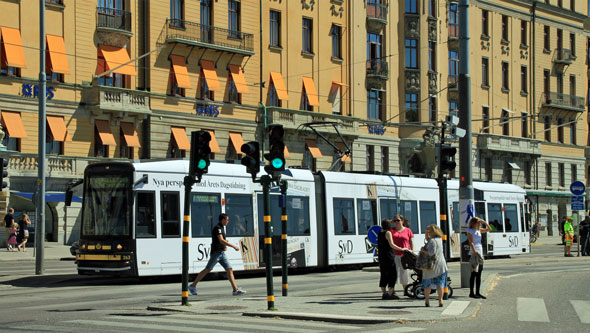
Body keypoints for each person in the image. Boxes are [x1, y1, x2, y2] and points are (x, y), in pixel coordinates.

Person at [189, 214, 246, 296]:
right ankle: (192, 285)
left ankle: (235, 290)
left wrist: (224, 247)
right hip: (216, 253)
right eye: (227, 220)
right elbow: (221, 240)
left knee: (229, 269)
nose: (228, 222)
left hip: (221, 253)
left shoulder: (222, 228)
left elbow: (221, 241)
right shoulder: (218, 228)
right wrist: (234, 246)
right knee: (207, 269)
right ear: (223, 220)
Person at [377, 219, 408, 300]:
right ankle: (390, 293)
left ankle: (384, 293)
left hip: (381, 256)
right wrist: (402, 249)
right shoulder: (388, 233)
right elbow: (392, 245)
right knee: (392, 274)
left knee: (383, 274)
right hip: (389, 256)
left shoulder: (380, 233)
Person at [421, 225, 448, 307]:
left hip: (431, 266)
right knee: (440, 284)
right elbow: (427, 238)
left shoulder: (432, 241)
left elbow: (431, 253)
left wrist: (423, 250)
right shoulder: (439, 239)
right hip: (441, 265)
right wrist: (426, 231)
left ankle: (427, 300)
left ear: (433, 232)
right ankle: (440, 300)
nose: (429, 233)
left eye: (430, 232)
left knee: (427, 284)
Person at [467, 217, 492, 299]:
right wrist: (474, 252)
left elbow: (489, 229)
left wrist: (484, 221)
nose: (479, 224)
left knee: (479, 272)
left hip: (480, 251)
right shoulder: (470, 231)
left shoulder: (479, 230)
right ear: (474, 223)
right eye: (478, 222)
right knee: (474, 272)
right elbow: (470, 242)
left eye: (480, 223)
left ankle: (478, 292)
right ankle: (471, 292)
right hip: (475, 253)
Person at [391, 214, 414, 297]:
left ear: (402, 221)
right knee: (393, 273)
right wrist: (390, 223)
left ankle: (405, 290)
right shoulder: (391, 230)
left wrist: (412, 250)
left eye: (398, 220)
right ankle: (392, 290)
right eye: (395, 220)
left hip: (405, 255)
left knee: (404, 273)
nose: (396, 222)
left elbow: (411, 241)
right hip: (394, 255)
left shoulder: (408, 230)